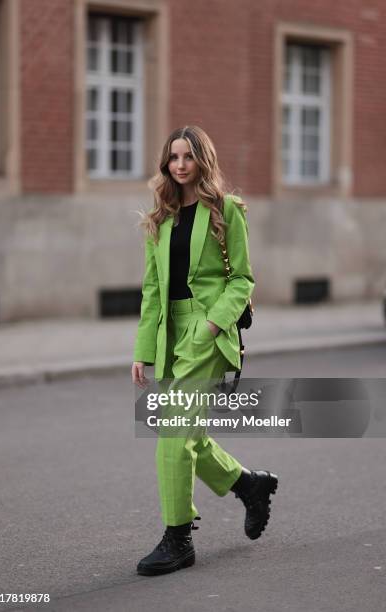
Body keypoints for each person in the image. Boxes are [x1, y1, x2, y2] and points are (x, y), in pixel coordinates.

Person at [131, 125, 278, 576]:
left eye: (188, 157)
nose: (179, 165)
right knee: (180, 431)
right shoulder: (160, 218)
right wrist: (142, 349)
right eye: (173, 157)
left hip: (207, 329)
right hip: (169, 331)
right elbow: (153, 289)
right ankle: (248, 484)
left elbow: (243, 279)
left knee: (174, 432)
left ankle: (177, 539)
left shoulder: (225, 210)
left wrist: (215, 322)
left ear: (202, 161)